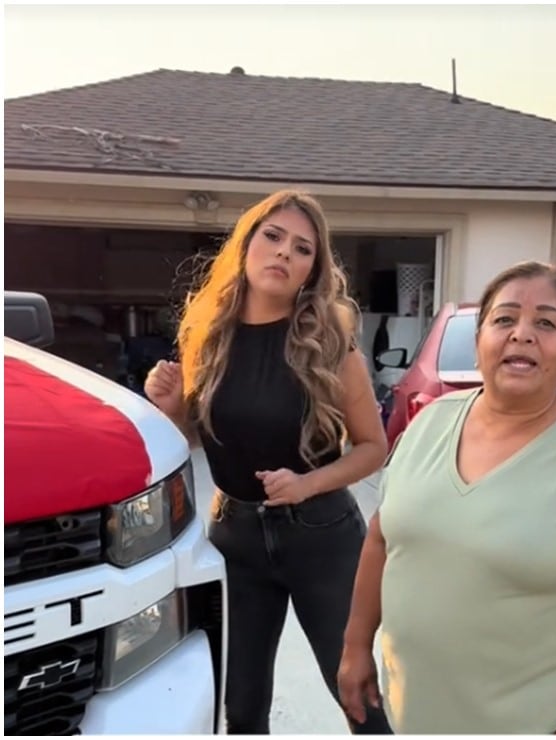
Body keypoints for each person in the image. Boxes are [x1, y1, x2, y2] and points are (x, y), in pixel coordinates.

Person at [144, 189, 392, 734]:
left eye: (302, 248)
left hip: (322, 536)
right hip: (235, 537)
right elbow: (188, 437)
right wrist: (169, 408)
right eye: (273, 237)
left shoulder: (330, 342)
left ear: (312, 269)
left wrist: (307, 484)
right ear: (246, 245)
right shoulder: (208, 337)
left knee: (357, 694)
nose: (284, 253)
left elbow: (374, 447)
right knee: (242, 705)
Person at [337, 261, 556, 735]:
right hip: (409, 718)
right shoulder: (432, 421)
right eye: (504, 319)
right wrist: (356, 648)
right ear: (480, 341)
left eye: (546, 322)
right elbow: (381, 537)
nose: (522, 335)